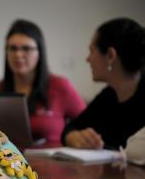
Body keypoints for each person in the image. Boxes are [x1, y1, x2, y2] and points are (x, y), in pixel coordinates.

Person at [0, 19, 86, 143]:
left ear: (39, 52)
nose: (18, 55)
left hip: (52, 160)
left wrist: (72, 137)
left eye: (26, 48)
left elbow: (89, 124)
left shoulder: (60, 86)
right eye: (12, 48)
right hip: (7, 160)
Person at [62, 17, 145, 150]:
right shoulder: (109, 95)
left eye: (91, 51)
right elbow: (72, 127)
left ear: (110, 56)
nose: (87, 59)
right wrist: (73, 137)